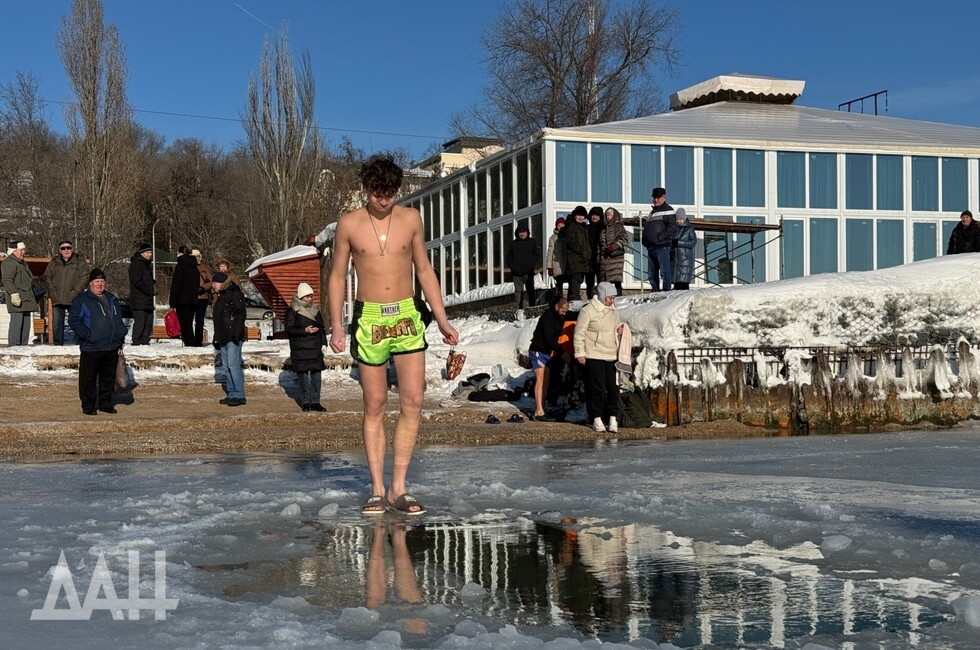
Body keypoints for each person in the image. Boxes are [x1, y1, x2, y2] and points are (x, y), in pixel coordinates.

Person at [328, 153, 458, 517]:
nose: (383, 201)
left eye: (390, 193)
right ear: (365, 190)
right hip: (369, 316)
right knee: (375, 404)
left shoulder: (411, 219)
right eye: (376, 193)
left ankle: (399, 487)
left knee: (413, 400)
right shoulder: (349, 224)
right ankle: (376, 489)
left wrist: (443, 319)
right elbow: (337, 276)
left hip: (406, 314)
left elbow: (425, 269)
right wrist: (337, 326)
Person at [68, 268, 127, 415]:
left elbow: (118, 320)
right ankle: (88, 405)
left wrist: (121, 334)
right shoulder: (81, 299)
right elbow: (74, 321)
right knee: (88, 378)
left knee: (108, 377)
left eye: (102, 281)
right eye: (96, 281)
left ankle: (105, 403)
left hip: (111, 346)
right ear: (90, 283)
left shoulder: (112, 299)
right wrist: (88, 335)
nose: (100, 284)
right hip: (91, 346)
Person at [573, 281, 624, 433]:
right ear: (602, 296)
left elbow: (614, 326)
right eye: (610, 298)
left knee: (613, 388)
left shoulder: (613, 310)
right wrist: (580, 353)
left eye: (614, 297)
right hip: (593, 354)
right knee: (597, 388)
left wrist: (619, 330)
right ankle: (596, 417)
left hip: (611, 354)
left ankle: (612, 417)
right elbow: (579, 333)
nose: (612, 300)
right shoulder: (588, 311)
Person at [285, 282, 326, 412]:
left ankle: (315, 401)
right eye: (307, 296)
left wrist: (323, 343)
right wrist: (305, 330)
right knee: (302, 375)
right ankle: (305, 401)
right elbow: (289, 330)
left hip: (315, 347)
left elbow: (322, 328)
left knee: (316, 375)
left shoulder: (315, 309)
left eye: (310, 296)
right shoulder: (293, 310)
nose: (309, 299)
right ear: (301, 296)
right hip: (300, 348)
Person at [528, 297, 570, 420]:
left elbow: (571, 315)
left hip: (548, 352)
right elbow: (549, 338)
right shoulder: (547, 317)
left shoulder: (560, 316)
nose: (564, 313)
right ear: (557, 307)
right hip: (538, 350)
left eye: (566, 311)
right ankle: (538, 411)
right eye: (563, 310)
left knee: (546, 381)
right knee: (540, 379)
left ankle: (543, 408)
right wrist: (562, 351)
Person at [41, 240, 90, 345]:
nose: (66, 250)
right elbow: (47, 277)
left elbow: (85, 277)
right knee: (56, 325)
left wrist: (75, 292)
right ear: (59, 250)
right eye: (63, 248)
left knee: (77, 322)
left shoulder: (80, 262)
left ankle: (79, 345)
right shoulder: (53, 263)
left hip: (74, 298)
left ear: (72, 249)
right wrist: (52, 291)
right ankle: (58, 346)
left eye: (68, 248)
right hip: (57, 298)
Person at [211, 271, 247, 406]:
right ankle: (232, 393)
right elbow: (218, 320)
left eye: (214, 283)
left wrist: (236, 334)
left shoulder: (235, 294)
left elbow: (240, 315)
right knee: (226, 367)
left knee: (233, 365)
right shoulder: (221, 296)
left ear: (221, 282)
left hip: (233, 336)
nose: (213, 285)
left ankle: (238, 394)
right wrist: (216, 337)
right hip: (223, 336)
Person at [2, 241, 38, 346]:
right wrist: (14, 294)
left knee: (25, 327)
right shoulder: (9, 263)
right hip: (18, 299)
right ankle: (14, 349)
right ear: (14, 251)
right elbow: (7, 280)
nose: (23, 252)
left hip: (26, 299)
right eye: (21, 250)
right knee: (16, 326)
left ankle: (23, 349)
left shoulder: (22, 263)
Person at [641, 187, 677, 292]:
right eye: (654, 198)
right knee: (652, 272)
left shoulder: (668, 210)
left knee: (664, 272)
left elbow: (672, 227)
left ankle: (666, 292)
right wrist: (645, 240)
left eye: (658, 198)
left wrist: (660, 237)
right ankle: (655, 291)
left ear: (664, 197)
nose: (655, 200)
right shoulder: (652, 212)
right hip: (651, 247)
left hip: (662, 246)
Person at [168, 245, 199, 346]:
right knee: (189, 322)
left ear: (180, 253)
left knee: (184, 323)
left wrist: (172, 302)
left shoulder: (180, 266)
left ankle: (189, 343)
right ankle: (190, 341)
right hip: (193, 299)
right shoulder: (195, 267)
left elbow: (176, 285)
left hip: (182, 299)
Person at [505, 224, 540, 309]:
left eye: (524, 232)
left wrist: (531, 264)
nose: (522, 234)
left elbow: (537, 254)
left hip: (528, 272)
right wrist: (512, 266)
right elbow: (508, 256)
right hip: (516, 273)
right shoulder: (513, 244)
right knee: (518, 291)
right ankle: (518, 308)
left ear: (527, 232)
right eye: (520, 232)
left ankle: (532, 307)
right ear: (517, 233)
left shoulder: (532, 242)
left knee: (530, 290)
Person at [598, 208, 629, 296]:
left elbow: (624, 239)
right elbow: (599, 243)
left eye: (610, 215)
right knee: (606, 281)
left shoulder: (618, 226)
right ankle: (606, 298)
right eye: (607, 215)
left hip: (615, 258)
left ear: (614, 216)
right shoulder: (603, 228)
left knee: (616, 279)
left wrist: (613, 246)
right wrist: (598, 256)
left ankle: (619, 297)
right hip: (605, 257)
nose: (608, 217)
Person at [128, 243, 155, 345]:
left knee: (148, 323)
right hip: (139, 299)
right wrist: (148, 289)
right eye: (147, 252)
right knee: (140, 322)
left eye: (151, 252)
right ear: (141, 253)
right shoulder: (136, 264)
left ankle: (145, 341)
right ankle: (136, 342)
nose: (149, 255)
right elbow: (136, 281)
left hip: (146, 299)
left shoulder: (146, 264)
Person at [563, 205, 592, 301]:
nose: (580, 218)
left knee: (577, 282)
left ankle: (573, 301)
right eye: (578, 215)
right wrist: (581, 250)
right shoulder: (571, 225)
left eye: (582, 216)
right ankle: (574, 302)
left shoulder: (582, 226)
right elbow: (571, 241)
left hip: (582, 260)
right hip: (575, 260)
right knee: (575, 283)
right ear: (574, 215)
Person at [192, 249, 212, 347]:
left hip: (202, 297)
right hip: (191, 297)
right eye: (194, 256)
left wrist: (203, 288)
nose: (196, 258)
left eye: (197, 256)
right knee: (188, 320)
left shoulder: (204, 268)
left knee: (199, 321)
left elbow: (210, 281)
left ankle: (198, 341)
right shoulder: (188, 267)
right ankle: (190, 340)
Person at [672, 208, 697, 290]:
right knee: (676, 286)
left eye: (680, 219)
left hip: (685, 261)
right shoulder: (674, 229)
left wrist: (678, 243)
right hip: (676, 261)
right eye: (677, 219)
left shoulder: (689, 229)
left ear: (684, 219)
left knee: (684, 285)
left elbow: (693, 242)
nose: (678, 221)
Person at [546, 217, 569, 300]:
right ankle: (558, 301)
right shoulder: (553, 238)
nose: (561, 226)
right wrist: (549, 266)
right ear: (556, 226)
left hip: (567, 265)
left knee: (571, 282)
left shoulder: (568, 235)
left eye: (562, 224)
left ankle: (569, 301)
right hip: (557, 266)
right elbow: (550, 253)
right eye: (559, 225)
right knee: (559, 285)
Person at [587, 206, 604, 298]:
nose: (595, 217)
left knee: (601, 282)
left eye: (597, 215)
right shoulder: (586, 228)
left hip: (601, 258)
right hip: (589, 259)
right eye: (593, 215)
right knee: (589, 282)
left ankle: (601, 299)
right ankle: (590, 299)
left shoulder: (603, 228)